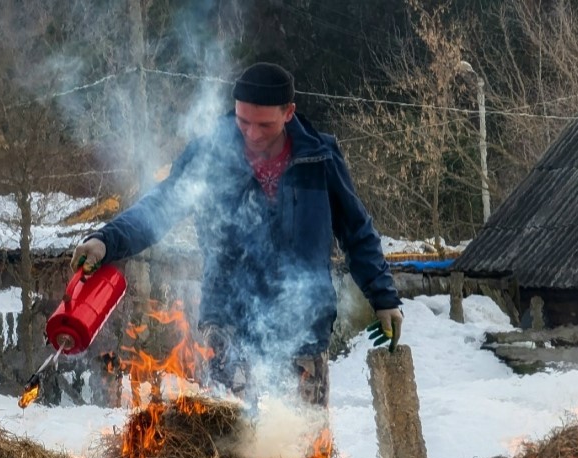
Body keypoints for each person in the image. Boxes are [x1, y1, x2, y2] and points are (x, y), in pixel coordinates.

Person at [70, 61, 403, 407]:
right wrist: (105, 241)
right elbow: (162, 205)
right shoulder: (211, 156)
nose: (252, 134)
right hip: (227, 326)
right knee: (234, 448)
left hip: (302, 331)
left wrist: (384, 298)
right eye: (243, 121)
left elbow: (357, 231)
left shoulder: (318, 158)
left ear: (289, 112)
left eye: (265, 124)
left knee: (304, 451)